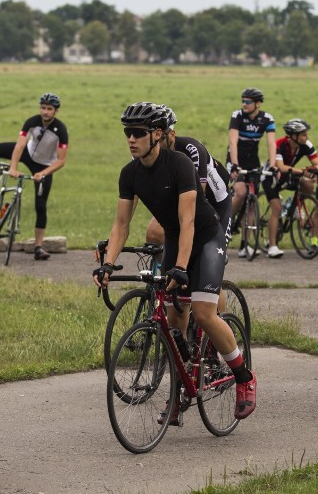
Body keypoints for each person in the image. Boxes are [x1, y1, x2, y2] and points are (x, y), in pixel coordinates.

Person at [94, 102, 256, 425]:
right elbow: (121, 225)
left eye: (138, 133)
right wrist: (108, 264)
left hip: (205, 235)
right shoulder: (130, 173)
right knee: (173, 317)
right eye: (127, 132)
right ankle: (182, 389)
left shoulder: (182, 163)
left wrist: (181, 267)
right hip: (176, 236)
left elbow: (188, 220)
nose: (131, 139)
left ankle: (243, 377)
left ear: (158, 134)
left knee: (203, 313)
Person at [144, 106, 234, 313]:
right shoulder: (147, 153)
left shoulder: (192, 149)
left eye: (159, 137)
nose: (154, 143)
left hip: (215, 206)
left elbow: (197, 197)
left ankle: (214, 331)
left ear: (171, 135)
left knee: (209, 267)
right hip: (183, 201)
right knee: (154, 233)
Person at [0, 93, 69, 260]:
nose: (45, 112)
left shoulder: (61, 130)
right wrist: (14, 168)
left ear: (56, 111)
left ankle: (38, 247)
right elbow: (20, 145)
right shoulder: (32, 122)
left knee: (40, 206)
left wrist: (42, 173)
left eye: (49, 109)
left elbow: (61, 161)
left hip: (44, 165)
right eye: (43, 108)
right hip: (27, 153)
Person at [225, 87, 277, 258]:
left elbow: (271, 144)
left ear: (258, 104)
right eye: (242, 101)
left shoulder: (267, 119)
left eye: (247, 102)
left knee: (252, 204)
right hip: (235, 158)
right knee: (240, 193)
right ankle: (227, 223)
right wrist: (234, 165)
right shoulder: (237, 116)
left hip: (252, 160)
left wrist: (274, 165)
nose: (244, 104)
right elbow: (233, 142)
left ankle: (244, 244)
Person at [267, 119, 318, 257]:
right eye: (304, 134)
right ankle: (272, 246)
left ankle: (299, 205)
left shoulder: (306, 144)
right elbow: (281, 167)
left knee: (308, 183)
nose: (307, 137)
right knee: (276, 209)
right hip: (272, 177)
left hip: (288, 175)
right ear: (293, 135)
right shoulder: (280, 144)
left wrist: (312, 169)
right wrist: (301, 171)